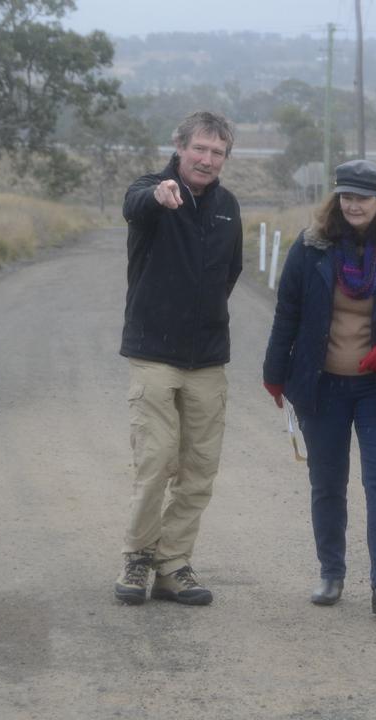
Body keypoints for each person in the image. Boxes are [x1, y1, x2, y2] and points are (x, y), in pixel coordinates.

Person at [262, 159, 376, 613]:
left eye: (362, 197)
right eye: (346, 196)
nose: (353, 204)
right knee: (327, 482)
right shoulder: (312, 247)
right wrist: (274, 371)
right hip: (322, 387)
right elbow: (288, 312)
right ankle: (331, 574)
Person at [113, 111, 243, 607]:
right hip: (154, 354)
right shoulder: (153, 190)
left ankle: (173, 565)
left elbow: (230, 273)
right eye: (200, 149)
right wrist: (159, 196)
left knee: (199, 469)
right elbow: (135, 203)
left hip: (208, 359)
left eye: (218, 152)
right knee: (156, 459)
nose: (208, 160)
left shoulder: (229, 207)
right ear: (180, 146)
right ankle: (138, 557)